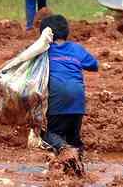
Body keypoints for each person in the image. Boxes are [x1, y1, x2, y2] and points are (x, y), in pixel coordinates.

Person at [39, 15, 99, 159]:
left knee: (47, 134)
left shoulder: (43, 51)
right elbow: (94, 65)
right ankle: (79, 168)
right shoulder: (76, 49)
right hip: (78, 102)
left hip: (57, 99)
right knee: (73, 138)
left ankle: (64, 150)